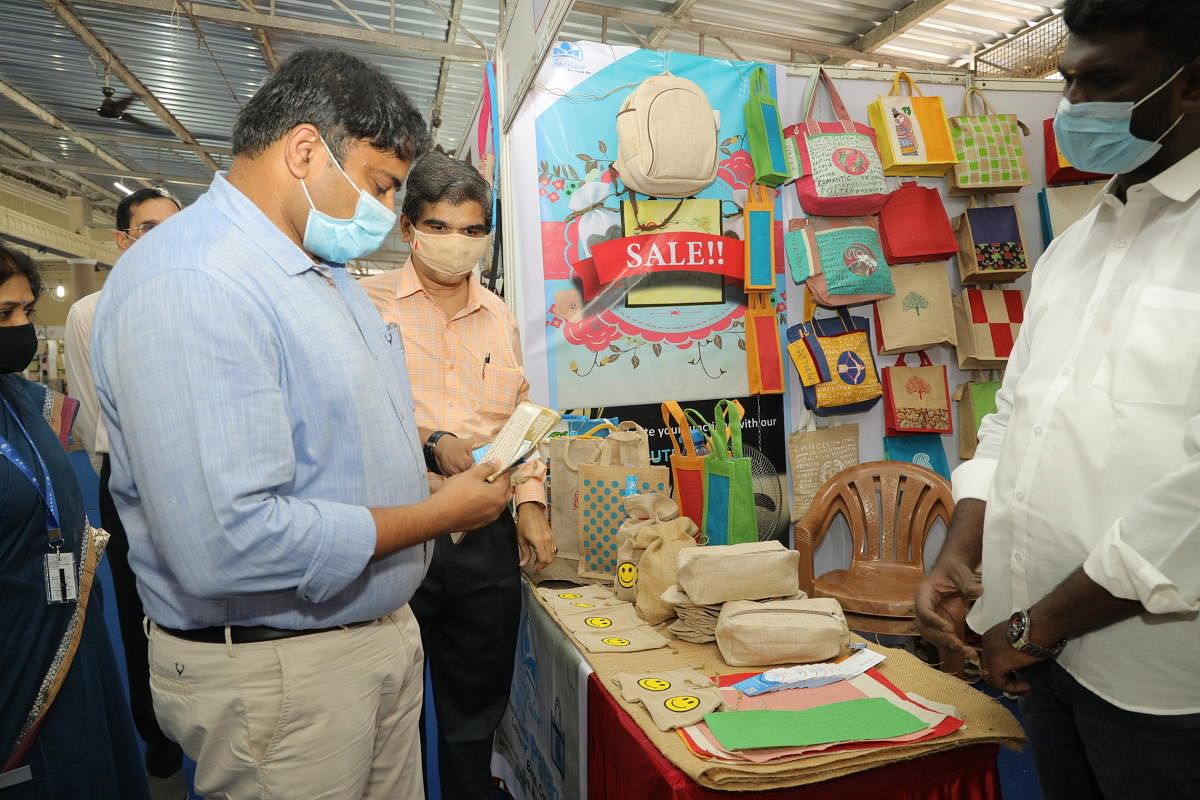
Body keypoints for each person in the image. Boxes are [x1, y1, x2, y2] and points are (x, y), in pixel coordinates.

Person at [91, 48, 513, 799]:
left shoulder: (315, 273)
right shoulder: (197, 282)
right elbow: (227, 543)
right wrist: (432, 516)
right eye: (381, 185)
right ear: (306, 150)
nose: (385, 212)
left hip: (357, 648)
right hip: (281, 676)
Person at [915, 2, 1200, 797]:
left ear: (1192, 85)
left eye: (1104, 81)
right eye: (1068, 81)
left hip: (1161, 683)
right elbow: (1013, 420)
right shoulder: (1073, 248)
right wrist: (959, 554)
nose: (1075, 108)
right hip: (1035, 654)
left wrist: (1040, 626)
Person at [362, 152, 555, 800]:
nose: (457, 244)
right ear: (409, 226)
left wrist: (530, 506)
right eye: (440, 227)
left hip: (483, 545)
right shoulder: (366, 305)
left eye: (473, 231)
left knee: (476, 708)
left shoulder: (499, 316)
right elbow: (351, 421)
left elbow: (519, 427)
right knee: (391, 714)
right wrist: (433, 443)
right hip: (396, 538)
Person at [0, 242, 148, 799]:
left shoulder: (24, 402)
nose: (22, 328)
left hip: (69, 626)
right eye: (4, 314)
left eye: (27, 312)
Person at [63, 187, 186, 800]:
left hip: (198, 478)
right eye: (148, 228)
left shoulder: (200, 304)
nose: (162, 238)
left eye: (174, 226)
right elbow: (95, 421)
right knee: (141, 612)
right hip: (127, 480)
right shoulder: (91, 313)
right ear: (122, 240)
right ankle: (160, 745)